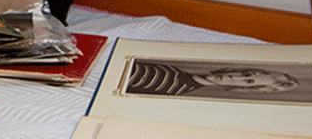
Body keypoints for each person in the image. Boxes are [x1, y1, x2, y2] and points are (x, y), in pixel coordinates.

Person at [127, 61, 299, 96]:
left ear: (241, 89)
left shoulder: (173, 87)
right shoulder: (174, 71)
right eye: (247, 73)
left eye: (247, 81)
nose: (234, 76)